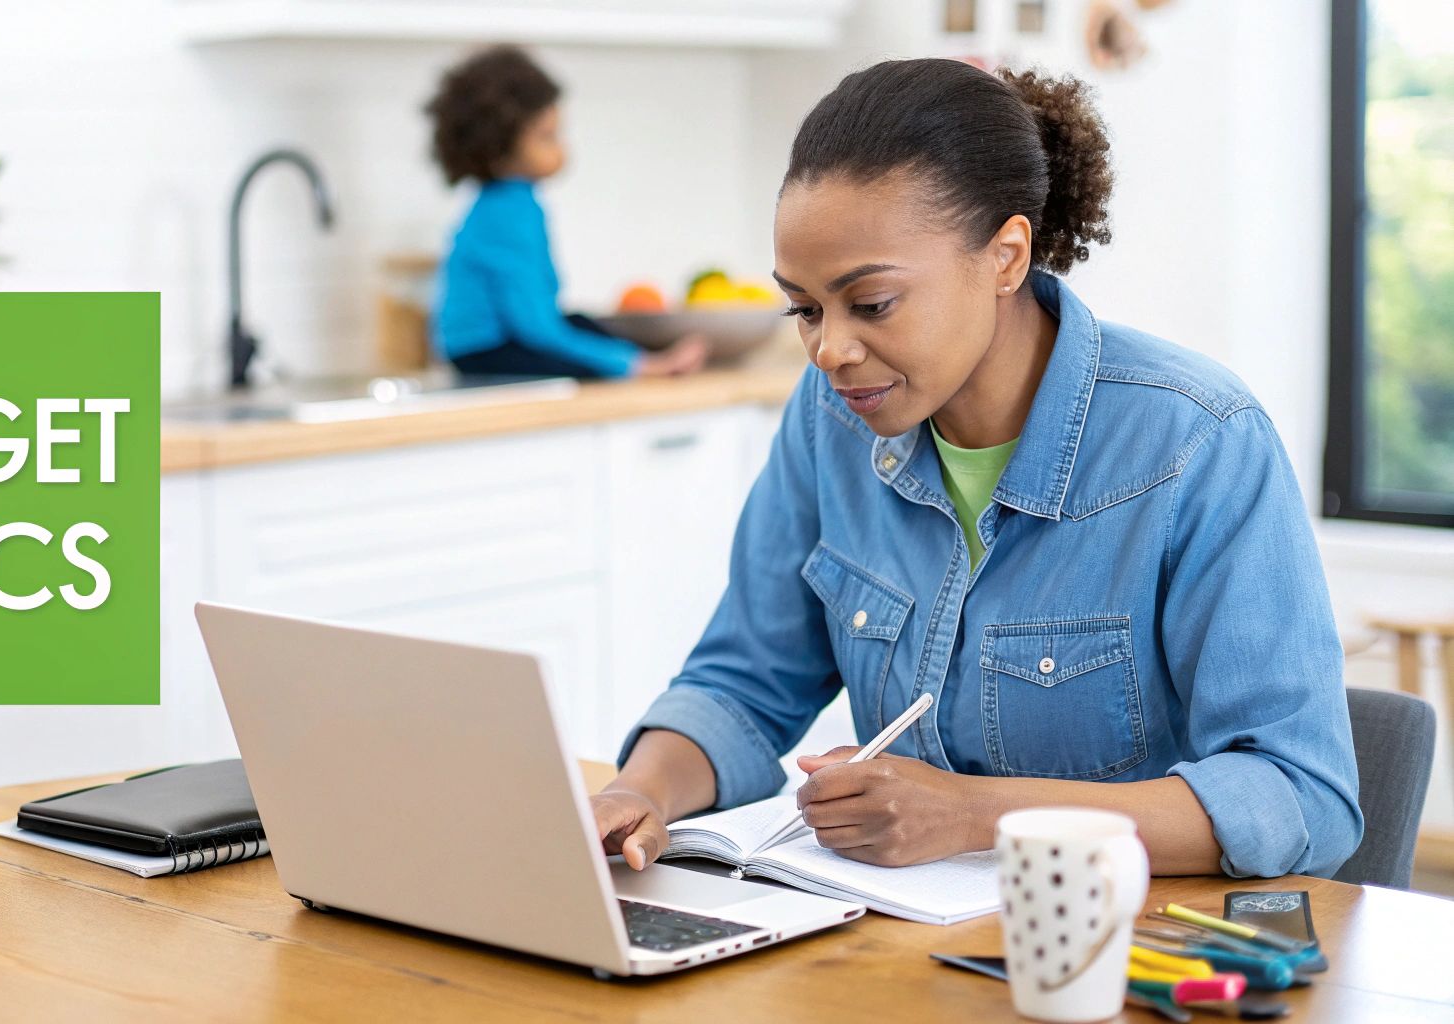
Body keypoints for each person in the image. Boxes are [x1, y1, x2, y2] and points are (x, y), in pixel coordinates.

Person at [592, 58, 1362, 879]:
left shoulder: (1196, 443)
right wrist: (638, 792)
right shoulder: (830, 425)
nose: (832, 352)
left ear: (1005, 256)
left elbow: (1299, 793)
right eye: (806, 310)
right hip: (893, 948)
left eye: (873, 304)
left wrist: (971, 817)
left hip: (1126, 958)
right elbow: (743, 684)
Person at [424, 46, 707, 379]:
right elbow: (536, 328)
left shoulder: (505, 203)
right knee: (573, 345)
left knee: (580, 323)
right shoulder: (509, 214)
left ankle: (644, 360)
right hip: (488, 351)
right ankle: (644, 364)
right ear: (498, 147)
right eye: (547, 137)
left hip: (487, 344)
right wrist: (625, 364)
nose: (561, 149)